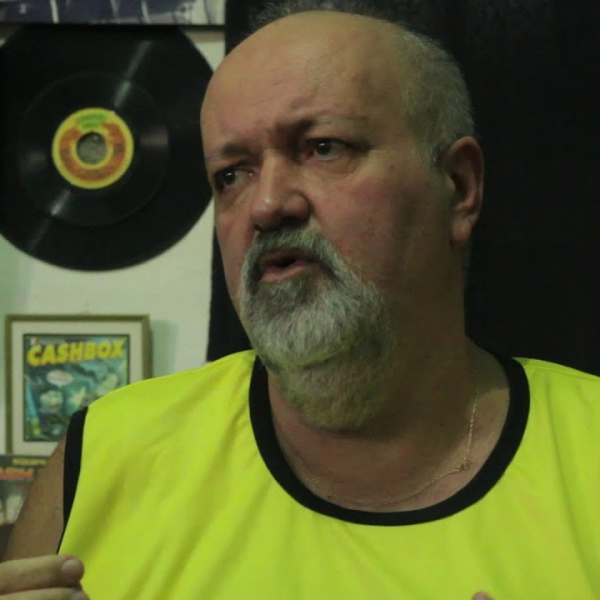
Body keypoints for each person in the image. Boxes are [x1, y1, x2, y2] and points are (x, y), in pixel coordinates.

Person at [1, 1, 599, 598]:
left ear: (459, 186)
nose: (266, 205)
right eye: (231, 174)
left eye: (323, 147)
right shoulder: (107, 454)